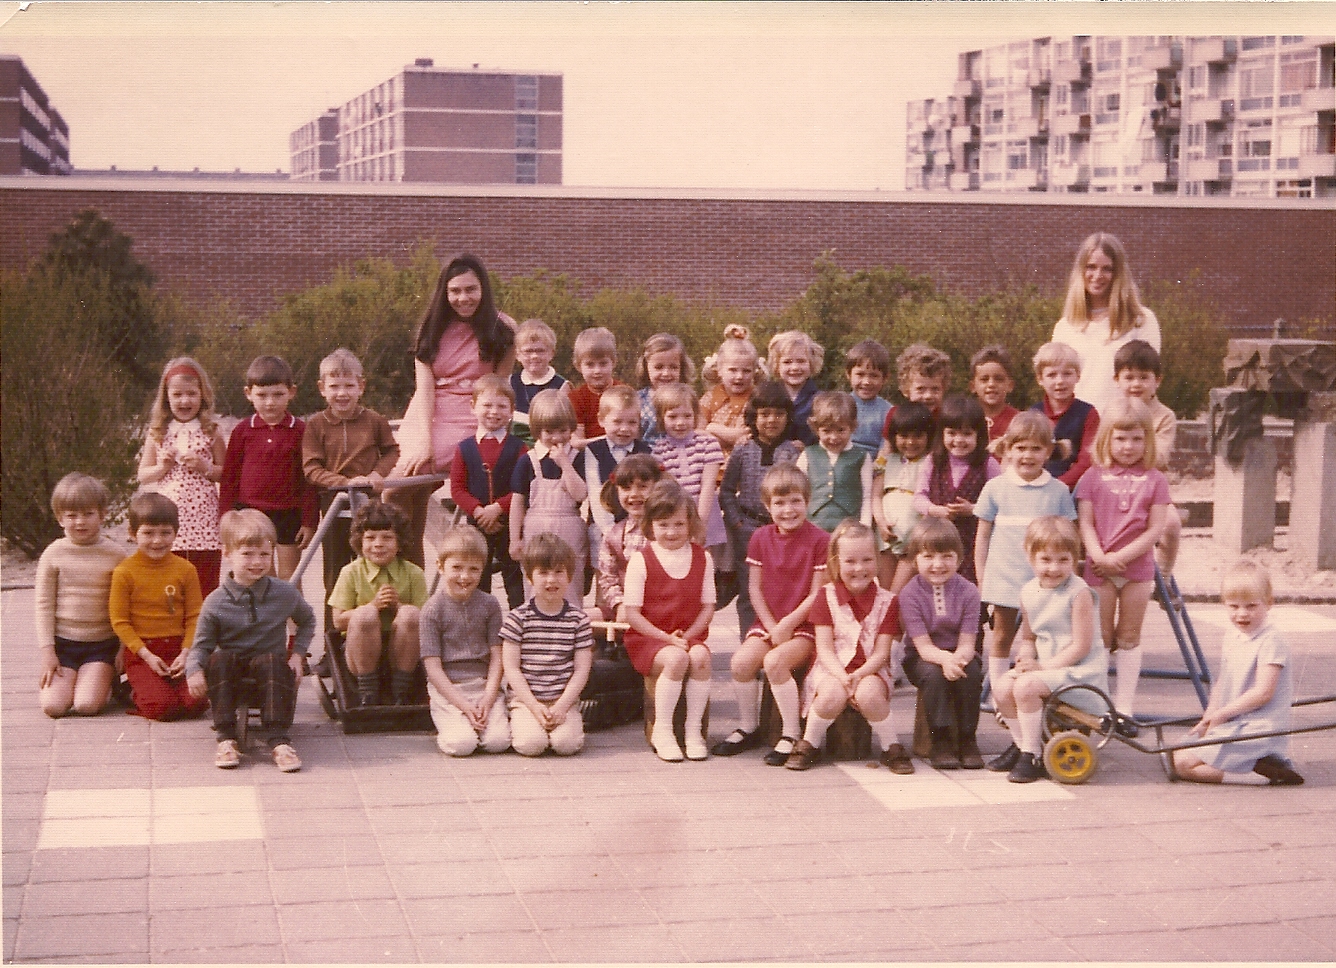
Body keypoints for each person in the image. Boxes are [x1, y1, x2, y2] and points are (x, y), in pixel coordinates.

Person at [393, 254, 517, 567]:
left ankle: (416, 569)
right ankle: (409, 571)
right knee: (400, 486)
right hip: (430, 411)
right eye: (455, 291)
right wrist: (422, 439)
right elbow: (424, 389)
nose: (463, 298)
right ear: (445, 293)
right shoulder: (431, 327)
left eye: (470, 289)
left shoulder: (503, 328)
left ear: (483, 289)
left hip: (475, 412)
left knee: (403, 486)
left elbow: (499, 387)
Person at [713, 465, 830, 764]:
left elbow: (817, 594)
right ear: (767, 506)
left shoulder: (820, 540)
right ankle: (748, 725)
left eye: (795, 501)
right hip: (769, 622)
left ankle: (791, 733)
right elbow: (754, 589)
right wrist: (771, 625)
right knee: (740, 663)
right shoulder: (760, 538)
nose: (788, 510)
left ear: (808, 501)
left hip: (805, 625)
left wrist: (788, 625)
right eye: (779, 503)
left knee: (775, 662)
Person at [187, 509, 315, 772]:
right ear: (227, 554)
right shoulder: (216, 601)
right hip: (230, 677)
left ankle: (279, 740)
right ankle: (226, 737)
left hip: (271, 675)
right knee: (220, 657)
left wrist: (298, 655)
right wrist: (194, 670)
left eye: (264, 554)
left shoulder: (283, 593)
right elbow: (202, 644)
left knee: (271, 659)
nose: (257, 562)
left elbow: (308, 620)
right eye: (247, 554)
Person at [1075, 397, 1171, 734]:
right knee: (1100, 637)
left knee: (1128, 636)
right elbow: (1085, 522)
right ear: (1106, 439)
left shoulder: (1155, 479)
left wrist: (1122, 557)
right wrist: (1098, 555)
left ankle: (1126, 708)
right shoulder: (1092, 477)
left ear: (1147, 440)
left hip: (1136, 572)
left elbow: (1155, 529)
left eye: (1136, 439)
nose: (1128, 446)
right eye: (1120, 438)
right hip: (1099, 569)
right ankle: (1100, 706)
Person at [987, 516, 1108, 784]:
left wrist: (1041, 667)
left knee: (1026, 687)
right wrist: (1027, 655)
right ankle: (1022, 745)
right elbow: (1029, 636)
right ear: (1030, 556)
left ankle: (1032, 754)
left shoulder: (1079, 593)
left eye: (1063, 560)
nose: (1054, 568)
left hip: (1078, 671)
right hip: (1047, 668)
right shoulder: (1029, 591)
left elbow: (1081, 646)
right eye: (1046, 560)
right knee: (1002, 687)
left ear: (1074, 558)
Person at [786, 520, 910, 773]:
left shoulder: (888, 602)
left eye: (867, 560)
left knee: (869, 695)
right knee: (832, 694)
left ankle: (891, 746)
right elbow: (825, 649)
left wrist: (859, 675)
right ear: (836, 563)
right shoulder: (825, 596)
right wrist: (844, 677)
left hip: (871, 669)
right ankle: (810, 742)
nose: (859, 568)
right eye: (850, 561)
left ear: (876, 560)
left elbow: (881, 652)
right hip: (831, 668)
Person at [974, 412, 1077, 702]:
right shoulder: (995, 488)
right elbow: (982, 536)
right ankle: (1000, 694)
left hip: (1046, 581)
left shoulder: (1057, 491)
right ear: (1007, 449)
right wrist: (982, 576)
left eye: (1036, 448)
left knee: (1041, 636)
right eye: (1020, 447)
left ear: (1048, 452)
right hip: (1004, 578)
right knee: (1003, 635)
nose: (1027, 455)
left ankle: (1037, 690)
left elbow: (1069, 537)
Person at [1172, 561, 1303, 786]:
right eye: (1234, 606)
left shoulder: (1271, 641)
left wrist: (1221, 715)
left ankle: (1260, 777)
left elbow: (1263, 693)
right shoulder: (1233, 635)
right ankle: (1253, 765)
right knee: (1176, 751)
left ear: (1268, 603)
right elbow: (1223, 681)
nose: (1242, 614)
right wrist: (1210, 714)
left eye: (1251, 606)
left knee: (1184, 764)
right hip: (1236, 721)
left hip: (1259, 728)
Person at [622, 480, 716, 762]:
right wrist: (668, 639)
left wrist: (688, 637)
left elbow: (708, 607)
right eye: (663, 524)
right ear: (650, 525)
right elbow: (632, 615)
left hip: (689, 635)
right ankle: (663, 731)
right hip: (649, 638)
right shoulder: (641, 560)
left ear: (690, 523)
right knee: (676, 659)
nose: (671, 532)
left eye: (678, 524)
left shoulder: (703, 557)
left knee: (700, 657)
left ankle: (693, 731)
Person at [302, 347, 400, 617]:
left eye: (349, 385)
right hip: (334, 506)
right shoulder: (316, 425)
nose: (342, 393)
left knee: (374, 568)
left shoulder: (375, 421)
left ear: (361, 386)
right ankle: (333, 642)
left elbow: (392, 451)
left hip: (370, 509)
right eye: (334, 386)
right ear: (322, 388)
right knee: (335, 574)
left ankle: (376, 635)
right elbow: (311, 468)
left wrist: (375, 475)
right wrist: (346, 483)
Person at [217, 355, 318, 580]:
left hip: (288, 514)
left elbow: (309, 480)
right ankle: (265, 617)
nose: (270, 402)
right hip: (251, 512)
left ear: (291, 392)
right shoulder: (242, 430)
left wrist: (309, 521)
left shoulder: (301, 431)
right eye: (262, 395)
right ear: (248, 394)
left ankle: (293, 617)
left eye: (278, 394)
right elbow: (230, 477)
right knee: (260, 575)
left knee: (289, 576)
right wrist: (226, 515)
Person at [110, 493, 208, 721]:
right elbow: (120, 621)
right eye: (148, 533)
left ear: (176, 532)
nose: (157, 541)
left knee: (197, 704)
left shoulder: (186, 569)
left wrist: (186, 653)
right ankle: (135, 691)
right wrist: (146, 655)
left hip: (178, 650)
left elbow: (195, 616)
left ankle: (165, 688)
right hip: (143, 653)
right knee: (163, 709)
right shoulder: (125, 572)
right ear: (133, 534)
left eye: (165, 533)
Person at [35, 474, 127, 718]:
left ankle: (105, 681)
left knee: (87, 705)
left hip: (102, 644)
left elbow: (128, 605)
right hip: (64, 645)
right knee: (53, 707)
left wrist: (123, 648)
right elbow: (43, 605)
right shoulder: (53, 554)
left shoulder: (116, 555)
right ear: (60, 518)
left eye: (88, 514)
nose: (80, 522)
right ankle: (74, 680)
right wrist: (48, 653)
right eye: (72, 515)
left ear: (103, 514)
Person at [898, 519, 985, 770]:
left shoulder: (969, 592)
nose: (938, 564)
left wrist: (957, 659)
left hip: (960, 653)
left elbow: (968, 642)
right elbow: (923, 647)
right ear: (915, 560)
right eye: (928, 556)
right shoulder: (910, 594)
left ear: (959, 559)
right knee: (935, 675)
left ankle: (968, 738)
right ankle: (941, 740)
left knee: (972, 672)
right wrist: (945, 660)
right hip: (922, 657)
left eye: (947, 556)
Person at [719, 381, 803, 637]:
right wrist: (737, 524)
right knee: (748, 590)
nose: (771, 420)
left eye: (778, 414)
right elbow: (726, 491)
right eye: (764, 414)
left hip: (782, 530)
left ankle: (780, 640)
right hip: (748, 529)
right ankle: (751, 642)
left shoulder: (792, 452)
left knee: (781, 589)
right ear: (753, 416)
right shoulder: (743, 449)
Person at [419, 526, 511, 757]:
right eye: (457, 568)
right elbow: (433, 667)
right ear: (441, 567)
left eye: (473, 569)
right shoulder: (432, 609)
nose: (465, 576)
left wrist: (489, 698)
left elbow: (497, 656)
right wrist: (463, 704)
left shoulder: (489, 605)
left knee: (498, 742)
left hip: (483, 685)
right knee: (462, 745)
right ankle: (453, 723)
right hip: (449, 689)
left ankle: (481, 719)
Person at [138, 357, 226, 598]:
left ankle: (204, 633)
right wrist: (161, 467)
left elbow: (227, 474)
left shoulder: (212, 430)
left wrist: (205, 467)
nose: (184, 400)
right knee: (170, 585)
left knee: (204, 586)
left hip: (204, 521)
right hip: (169, 520)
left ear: (202, 396)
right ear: (166, 397)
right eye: (177, 395)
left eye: (191, 394)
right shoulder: (158, 432)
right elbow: (143, 475)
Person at [501, 533, 595, 757]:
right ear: (530, 577)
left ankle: (568, 719)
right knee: (531, 744)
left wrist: (562, 706)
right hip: (526, 700)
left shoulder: (578, 620)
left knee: (566, 745)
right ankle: (519, 720)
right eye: (543, 573)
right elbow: (511, 669)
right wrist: (533, 706)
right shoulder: (517, 618)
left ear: (569, 576)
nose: (551, 580)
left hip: (563, 699)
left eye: (558, 572)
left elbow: (582, 669)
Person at [328, 500, 428, 707]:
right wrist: (373, 606)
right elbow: (337, 621)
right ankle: (367, 692)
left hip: (401, 650)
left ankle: (401, 690)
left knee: (410, 613)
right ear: (359, 541)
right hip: (359, 652)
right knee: (364, 615)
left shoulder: (413, 573)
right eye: (370, 538)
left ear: (400, 542)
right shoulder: (350, 572)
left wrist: (398, 607)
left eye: (387, 538)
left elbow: (425, 619)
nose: (378, 544)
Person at [1051, 231, 1161, 416]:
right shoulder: (1065, 326)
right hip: (1079, 427)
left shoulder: (1142, 321)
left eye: (1107, 269)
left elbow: (1147, 384)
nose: (1097, 275)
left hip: (1124, 427)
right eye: (1091, 267)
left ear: (1118, 273)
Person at [449, 375, 527, 608]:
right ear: (473, 407)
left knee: (514, 575)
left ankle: (518, 623)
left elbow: (523, 486)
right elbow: (457, 489)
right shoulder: (464, 448)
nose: (494, 411)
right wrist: (478, 510)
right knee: (477, 575)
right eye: (487, 405)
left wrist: (497, 508)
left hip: (509, 524)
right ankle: (479, 625)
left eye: (502, 406)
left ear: (512, 410)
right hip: (477, 524)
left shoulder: (518, 447)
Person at [508, 389, 588, 608]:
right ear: (536, 431)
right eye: (549, 431)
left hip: (569, 525)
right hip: (536, 526)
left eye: (562, 430)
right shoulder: (528, 461)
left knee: (570, 582)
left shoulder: (577, 458)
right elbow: (517, 503)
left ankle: (572, 628)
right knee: (536, 580)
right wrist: (515, 539)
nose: (557, 437)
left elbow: (580, 494)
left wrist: (565, 465)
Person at [649, 382, 729, 600]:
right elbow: (668, 487)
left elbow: (708, 485)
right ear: (661, 419)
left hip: (704, 511)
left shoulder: (708, 443)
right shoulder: (659, 449)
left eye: (687, 416)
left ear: (695, 415)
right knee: (675, 565)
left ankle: (700, 607)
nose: (680, 422)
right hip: (675, 514)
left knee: (702, 566)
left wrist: (698, 523)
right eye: (672, 417)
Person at [1112, 339, 1183, 575]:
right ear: (1117, 380)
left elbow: (1159, 457)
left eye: (1144, 377)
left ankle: (1163, 573)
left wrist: (1127, 448)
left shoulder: (1164, 416)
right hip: (1113, 486)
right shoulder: (1111, 412)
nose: (1136, 384)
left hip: (1150, 489)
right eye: (1129, 377)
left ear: (1157, 381)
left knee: (1171, 524)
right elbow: (1101, 450)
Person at [913, 395, 1001, 586]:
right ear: (942, 433)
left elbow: (1001, 503)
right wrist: (937, 510)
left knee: (968, 588)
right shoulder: (933, 461)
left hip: (973, 543)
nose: (959, 440)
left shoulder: (988, 464)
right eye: (952, 433)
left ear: (979, 435)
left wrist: (974, 509)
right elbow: (918, 498)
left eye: (967, 434)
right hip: (937, 541)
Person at [583, 384, 652, 580]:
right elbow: (596, 491)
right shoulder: (594, 451)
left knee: (638, 577)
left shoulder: (645, 451)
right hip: (603, 526)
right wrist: (609, 531)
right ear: (602, 420)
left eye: (632, 422)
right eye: (617, 421)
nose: (624, 428)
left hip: (639, 526)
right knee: (606, 578)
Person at [593, 454, 664, 622]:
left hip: (660, 608)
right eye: (626, 488)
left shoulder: (668, 531)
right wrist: (620, 605)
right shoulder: (614, 534)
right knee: (579, 619)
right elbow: (608, 578)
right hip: (625, 607)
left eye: (642, 487)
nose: (634, 494)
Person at [874, 401, 933, 593]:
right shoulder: (887, 460)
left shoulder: (930, 462)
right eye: (904, 436)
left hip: (912, 539)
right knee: (884, 593)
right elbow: (875, 495)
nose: (910, 442)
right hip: (886, 537)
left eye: (918, 436)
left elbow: (930, 500)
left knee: (898, 594)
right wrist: (881, 522)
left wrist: (919, 535)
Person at [796, 391, 873, 532]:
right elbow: (797, 492)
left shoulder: (861, 457)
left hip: (849, 530)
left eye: (841, 430)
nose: (834, 437)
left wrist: (865, 527)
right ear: (816, 429)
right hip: (813, 528)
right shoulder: (807, 455)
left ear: (853, 427)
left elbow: (867, 496)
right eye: (826, 431)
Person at [1030, 341, 1099, 490]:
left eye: (1067, 374)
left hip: (1073, 487)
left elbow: (1087, 461)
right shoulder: (1032, 414)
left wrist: (1059, 486)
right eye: (1052, 375)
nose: (1060, 381)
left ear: (1078, 376)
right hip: (1036, 485)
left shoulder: (1088, 413)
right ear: (1040, 379)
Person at [699, 325, 760, 469]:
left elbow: (749, 436)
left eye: (746, 371)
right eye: (732, 370)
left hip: (746, 464)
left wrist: (712, 429)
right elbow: (698, 433)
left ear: (754, 372)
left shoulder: (756, 398)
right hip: (711, 464)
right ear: (719, 370)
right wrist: (729, 435)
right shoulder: (710, 397)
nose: (739, 376)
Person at [879, 342, 951, 445]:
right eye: (921, 389)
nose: (928, 396)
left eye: (935, 389)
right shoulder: (896, 415)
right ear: (906, 390)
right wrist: (879, 461)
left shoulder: (946, 417)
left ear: (944, 389)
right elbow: (887, 448)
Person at [509, 318, 566, 445]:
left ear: (551, 353)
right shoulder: (511, 382)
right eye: (528, 351)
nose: (534, 356)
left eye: (540, 351)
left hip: (548, 445)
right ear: (518, 355)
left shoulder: (561, 386)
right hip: (515, 446)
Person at [567, 327, 625, 445]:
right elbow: (577, 443)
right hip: (589, 455)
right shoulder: (576, 398)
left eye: (603, 363)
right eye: (590, 365)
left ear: (613, 362)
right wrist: (610, 440)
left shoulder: (623, 392)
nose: (597, 370)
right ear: (578, 366)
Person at [635, 332, 695, 444]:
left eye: (673, 367)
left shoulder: (687, 398)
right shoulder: (638, 400)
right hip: (646, 457)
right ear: (646, 367)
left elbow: (697, 429)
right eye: (659, 367)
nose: (666, 373)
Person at [767, 330, 823, 445]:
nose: (795, 367)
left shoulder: (820, 400)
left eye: (801, 361)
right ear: (777, 366)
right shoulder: (769, 395)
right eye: (787, 362)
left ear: (811, 364)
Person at [845, 338, 893, 459]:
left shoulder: (888, 411)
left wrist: (877, 469)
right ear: (848, 374)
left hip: (873, 465)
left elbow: (885, 449)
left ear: (885, 378)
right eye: (860, 374)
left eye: (874, 376)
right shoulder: (839, 404)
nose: (866, 382)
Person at [969, 345, 1020, 444]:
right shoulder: (964, 418)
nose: (991, 384)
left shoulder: (1018, 421)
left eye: (999, 379)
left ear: (1010, 385)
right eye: (984, 379)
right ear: (973, 386)